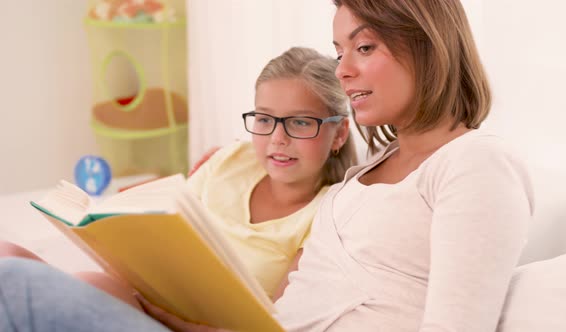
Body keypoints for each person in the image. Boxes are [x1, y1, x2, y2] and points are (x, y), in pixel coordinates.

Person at [0, 0, 534, 331]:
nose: (343, 71)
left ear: (429, 47)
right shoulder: (364, 175)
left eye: (363, 47)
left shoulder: (475, 163)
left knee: (14, 284)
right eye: (338, 51)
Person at [0, 46, 355, 308]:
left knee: (43, 284)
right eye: (264, 119)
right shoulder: (232, 159)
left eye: (300, 122)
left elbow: (280, 319)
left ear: (338, 134)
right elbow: (167, 228)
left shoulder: (328, 214)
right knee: (8, 253)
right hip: (154, 299)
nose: (278, 138)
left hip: (194, 325)